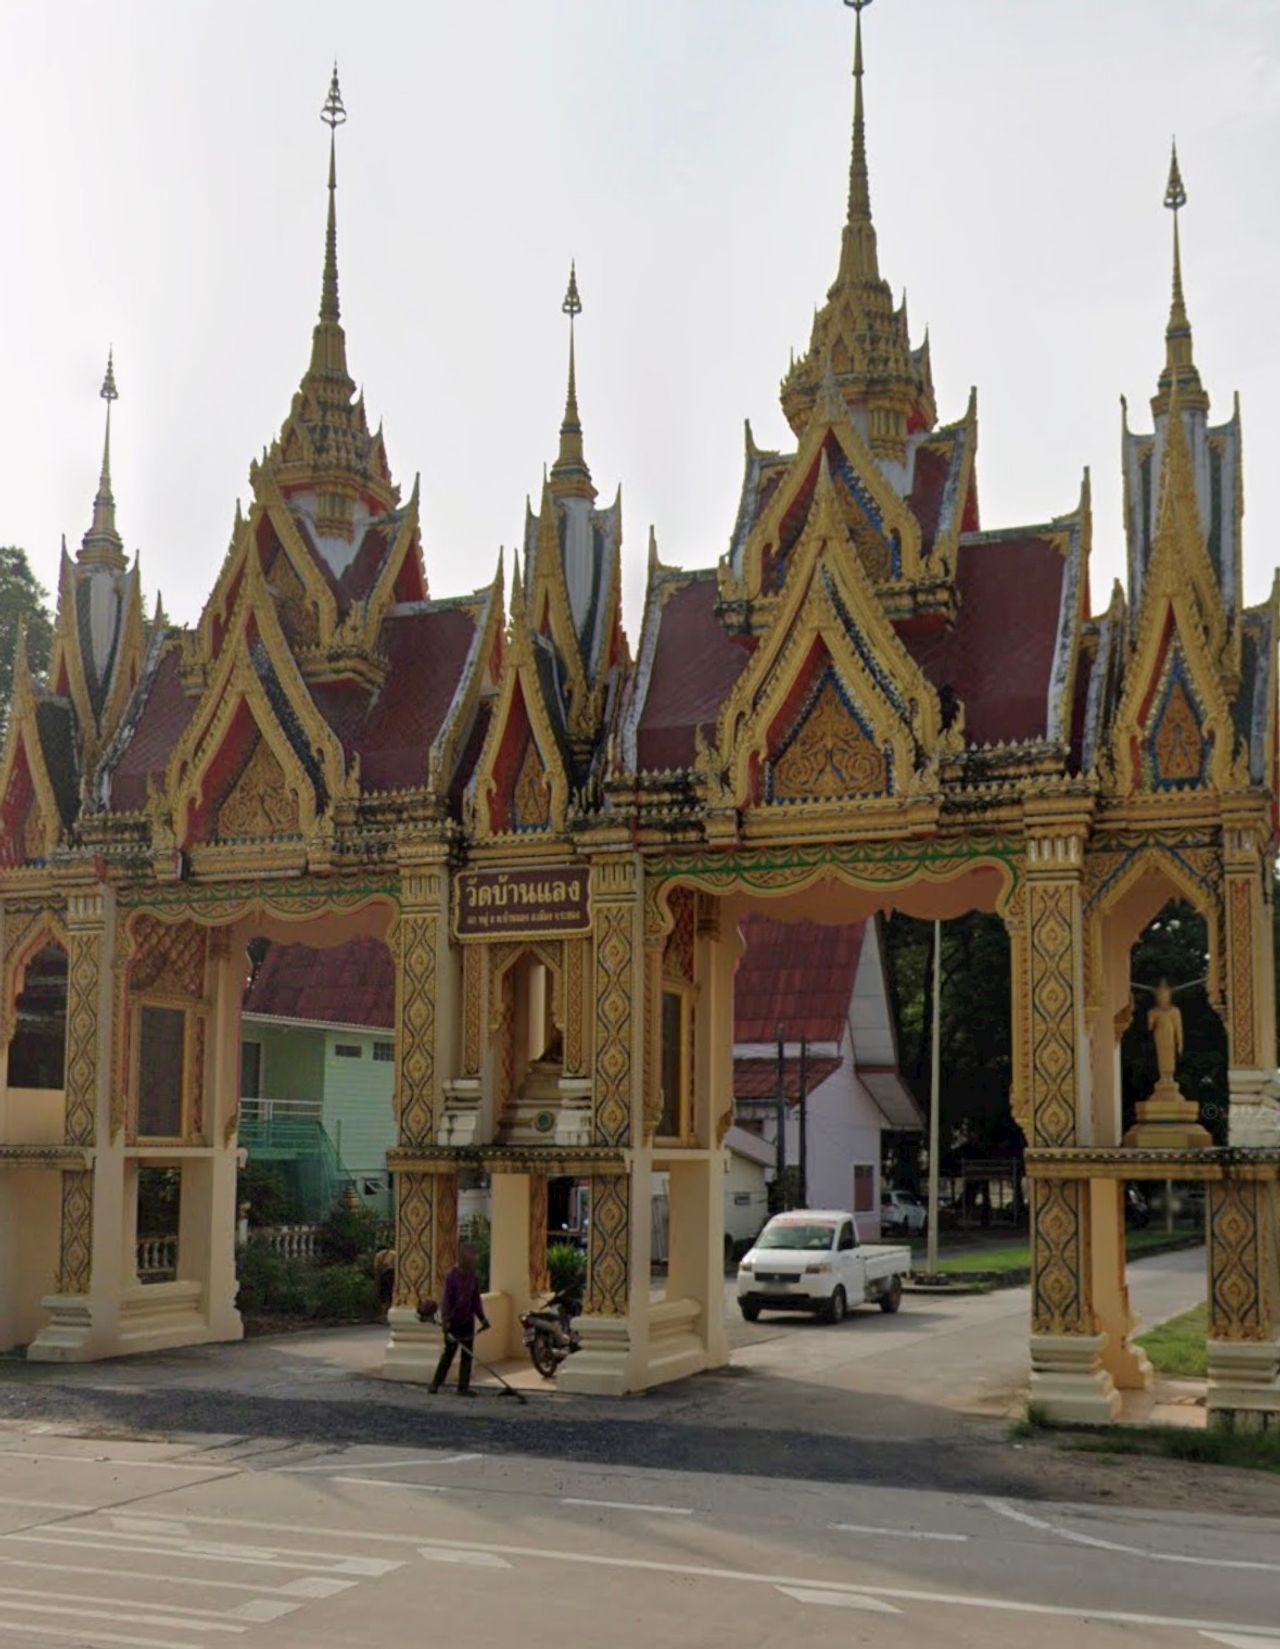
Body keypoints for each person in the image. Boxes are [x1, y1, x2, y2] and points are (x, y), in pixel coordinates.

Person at [430, 1246, 489, 1397]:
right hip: (453, 1322)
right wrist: (445, 1320)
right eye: (470, 1259)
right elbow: (447, 1300)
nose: (473, 1262)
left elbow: (476, 1301)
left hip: (467, 1321)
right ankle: (435, 1383)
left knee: (467, 1356)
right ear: (462, 1259)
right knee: (449, 1354)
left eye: (473, 1260)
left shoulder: (473, 1277)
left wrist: (483, 1319)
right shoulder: (452, 1276)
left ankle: (463, 1387)